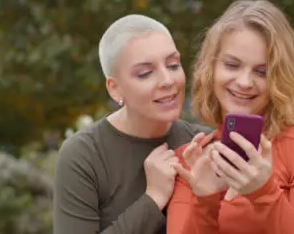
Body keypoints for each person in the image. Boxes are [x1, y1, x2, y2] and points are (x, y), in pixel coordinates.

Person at [167, 0, 294, 234]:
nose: (244, 82)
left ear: (280, 78)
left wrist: (263, 193)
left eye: (262, 72)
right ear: (211, 68)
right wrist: (205, 201)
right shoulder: (191, 160)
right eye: (232, 65)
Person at [52, 14, 211, 234]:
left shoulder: (205, 145)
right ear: (115, 88)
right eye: (145, 73)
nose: (168, 80)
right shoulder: (83, 155)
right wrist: (153, 199)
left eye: (173, 65)